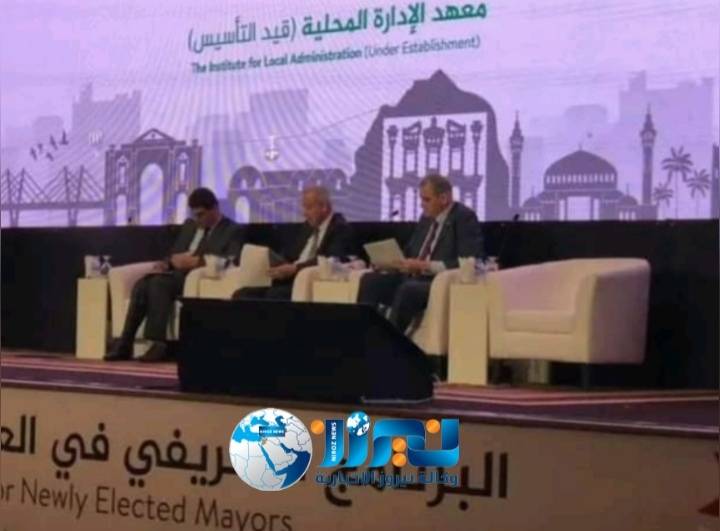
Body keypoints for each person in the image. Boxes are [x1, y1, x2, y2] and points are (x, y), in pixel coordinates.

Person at [105, 187, 243, 362]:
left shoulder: (232, 230)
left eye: (201, 215)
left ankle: (157, 343)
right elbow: (175, 253)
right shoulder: (190, 226)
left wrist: (197, 262)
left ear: (215, 208)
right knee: (142, 285)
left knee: (158, 284)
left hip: (195, 278)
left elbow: (231, 259)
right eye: (194, 215)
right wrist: (166, 263)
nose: (197, 220)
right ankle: (125, 343)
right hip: (175, 274)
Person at [357, 174, 483, 334]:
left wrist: (425, 266)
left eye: (426, 200)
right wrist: (389, 262)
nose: (421, 205)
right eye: (421, 199)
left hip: (435, 282)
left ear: (444, 198)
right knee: (370, 280)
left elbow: (469, 261)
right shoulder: (426, 219)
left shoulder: (464, 217)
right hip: (412, 276)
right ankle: (362, 335)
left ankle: (388, 340)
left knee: (408, 289)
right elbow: (410, 251)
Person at [233, 185, 354, 300]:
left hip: (306, 281)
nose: (304, 213)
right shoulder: (307, 227)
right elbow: (291, 254)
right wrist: (275, 261)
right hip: (288, 278)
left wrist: (295, 268)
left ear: (324, 207)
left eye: (309, 208)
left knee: (274, 296)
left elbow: (330, 259)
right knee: (241, 294)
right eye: (304, 208)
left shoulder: (340, 228)